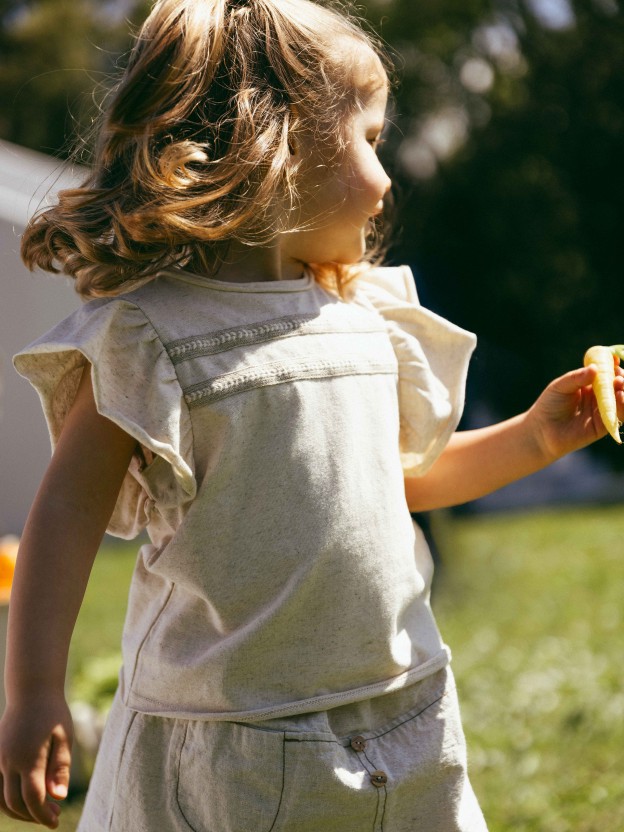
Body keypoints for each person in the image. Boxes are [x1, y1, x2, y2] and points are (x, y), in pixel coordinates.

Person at [1, 1, 622, 829]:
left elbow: (393, 484)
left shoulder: (360, 313)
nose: (387, 175)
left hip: (404, 709)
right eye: (369, 138)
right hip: (236, 744)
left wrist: (540, 432)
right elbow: (65, 515)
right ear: (279, 141)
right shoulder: (151, 337)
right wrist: (36, 691)